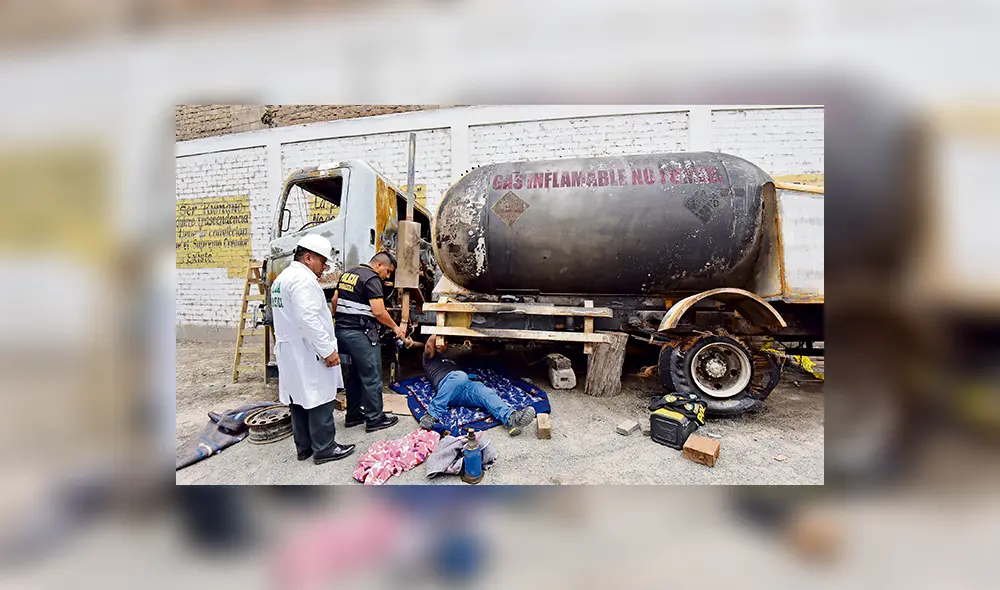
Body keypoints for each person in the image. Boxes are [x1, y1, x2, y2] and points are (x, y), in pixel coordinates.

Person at [271, 234, 356, 464]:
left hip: (291, 349)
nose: (324, 267)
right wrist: (327, 350)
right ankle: (325, 448)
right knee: (319, 396)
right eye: (322, 262)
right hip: (308, 349)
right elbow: (307, 319)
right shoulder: (303, 280)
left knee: (298, 398)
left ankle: (304, 447)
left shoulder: (282, 278)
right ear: (308, 258)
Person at [331, 251, 406, 433]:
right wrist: (396, 328)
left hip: (341, 332)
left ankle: (354, 415)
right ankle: (375, 419)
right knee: (371, 377)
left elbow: (334, 301)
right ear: (379, 264)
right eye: (388, 271)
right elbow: (378, 311)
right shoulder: (372, 279)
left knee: (354, 376)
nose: (387, 276)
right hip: (361, 334)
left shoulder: (348, 274)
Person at [418, 335, 536, 435]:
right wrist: (440, 331)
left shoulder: (450, 360)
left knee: (485, 391)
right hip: (446, 386)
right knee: (459, 376)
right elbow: (429, 345)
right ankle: (431, 415)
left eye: (446, 342)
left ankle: (511, 418)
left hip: (463, 387)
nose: (446, 344)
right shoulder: (430, 359)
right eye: (443, 341)